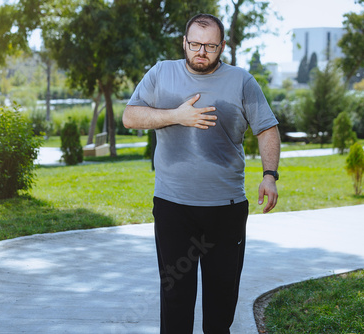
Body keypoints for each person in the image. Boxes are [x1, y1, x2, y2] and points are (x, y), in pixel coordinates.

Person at [122, 13, 281, 334]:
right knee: (175, 299)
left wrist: (269, 175)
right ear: (184, 42)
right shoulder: (161, 73)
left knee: (221, 304)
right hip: (173, 209)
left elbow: (267, 129)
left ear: (222, 46)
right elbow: (130, 116)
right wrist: (176, 115)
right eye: (195, 44)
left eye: (210, 46)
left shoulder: (241, 81)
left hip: (226, 210)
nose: (201, 52)